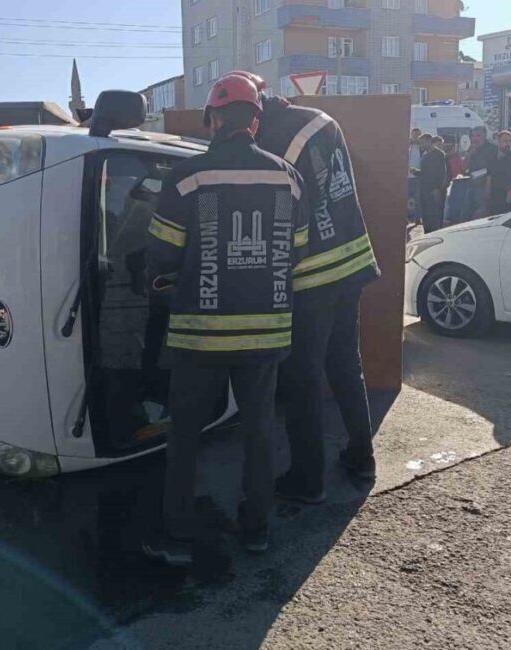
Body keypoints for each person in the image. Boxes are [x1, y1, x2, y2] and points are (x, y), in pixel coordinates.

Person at [141, 74, 311, 564]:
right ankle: (256, 530)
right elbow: (296, 252)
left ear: (213, 118)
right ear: (256, 121)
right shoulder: (288, 177)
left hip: (201, 336)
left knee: (185, 436)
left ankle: (177, 533)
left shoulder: (189, 177)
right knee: (258, 434)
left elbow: (162, 256)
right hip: (267, 336)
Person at [230, 70, 382, 503]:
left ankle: (307, 480)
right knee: (345, 365)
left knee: (303, 377)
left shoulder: (273, 142)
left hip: (313, 273)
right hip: (351, 260)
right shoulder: (320, 118)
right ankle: (362, 456)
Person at [417, 133, 448, 234]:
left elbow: (442, 173)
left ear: (429, 141)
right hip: (423, 189)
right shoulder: (424, 155)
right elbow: (424, 172)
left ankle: (435, 234)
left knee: (434, 215)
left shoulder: (439, 154)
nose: (421, 145)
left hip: (434, 190)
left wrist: (437, 188)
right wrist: (416, 172)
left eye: (423, 143)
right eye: (420, 143)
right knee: (425, 215)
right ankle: (427, 234)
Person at [465, 125, 496, 219]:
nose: (475, 138)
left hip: (485, 188)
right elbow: (464, 168)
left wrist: (487, 193)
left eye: (478, 135)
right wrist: (470, 154)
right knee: (466, 216)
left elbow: (492, 172)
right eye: (473, 136)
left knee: (480, 216)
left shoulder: (492, 150)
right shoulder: (472, 149)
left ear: (484, 136)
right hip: (472, 186)